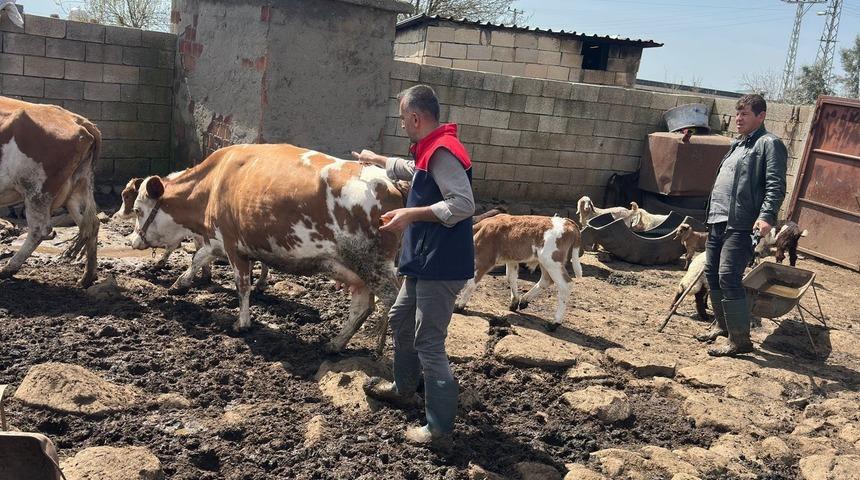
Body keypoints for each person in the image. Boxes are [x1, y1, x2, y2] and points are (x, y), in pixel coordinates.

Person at [351, 85, 475, 450]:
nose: (403, 123)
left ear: (416, 118)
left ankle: (438, 430)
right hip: (424, 258)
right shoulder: (431, 148)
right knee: (401, 317)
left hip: (442, 263)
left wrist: (410, 213)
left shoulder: (443, 152)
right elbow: (415, 169)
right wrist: (377, 160)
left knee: (429, 342)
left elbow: (463, 204)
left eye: (404, 118)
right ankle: (404, 387)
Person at [698, 93, 787, 357]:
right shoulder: (738, 145)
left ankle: (740, 340)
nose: (738, 118)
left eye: (745, 114)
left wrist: (767, 215)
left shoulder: (769, 144)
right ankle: (723, 327)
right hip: (717, 219)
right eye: (737, 113)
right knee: (711, 273)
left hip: (740, 222)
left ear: (761, 116)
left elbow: (775, 184)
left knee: (728, 276)